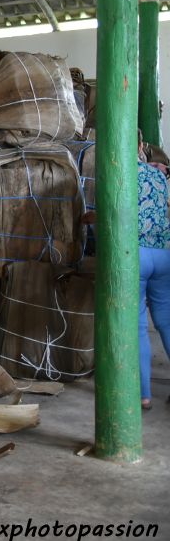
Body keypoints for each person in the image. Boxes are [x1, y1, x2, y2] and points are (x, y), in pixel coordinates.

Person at [137, 131, 170, 409]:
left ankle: (143, 394)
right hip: (163, 254)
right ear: (140, 147)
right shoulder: (159, 176)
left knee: (136, 327)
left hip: (132, 256)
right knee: (166, 322)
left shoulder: (115, 175)